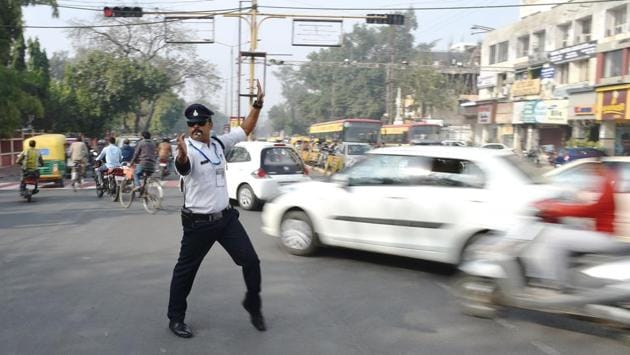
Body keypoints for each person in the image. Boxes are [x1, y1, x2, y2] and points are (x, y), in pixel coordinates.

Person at [167, 80, 265, 338]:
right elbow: (183, 166)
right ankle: (176, 319)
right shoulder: (187, 149)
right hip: (198, 223)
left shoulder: (219, 144)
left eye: (201, 123)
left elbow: (246, 128)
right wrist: (181, 157)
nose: (196, 127)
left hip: (226, 220)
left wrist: (257, 104)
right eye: (191, 124)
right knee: (185, 272)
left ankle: (253, 304)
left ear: (210, 125)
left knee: (252, 261)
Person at [525, 162, 627, 291]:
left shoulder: (607, 186)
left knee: (554, 237)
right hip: (601, 233)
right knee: (555, 233)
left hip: (603, 237)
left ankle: (553, 284)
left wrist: (555, 208)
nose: (591, 174)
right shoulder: (605, 185)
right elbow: (587, 207)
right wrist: (557, 205)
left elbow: (588, 210)